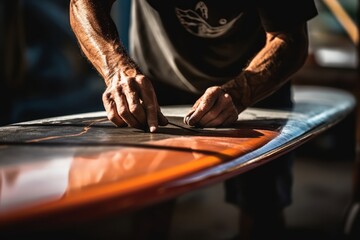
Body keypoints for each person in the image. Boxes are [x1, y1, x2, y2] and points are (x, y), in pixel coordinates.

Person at [69, 0, 318, 239]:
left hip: (258, 81)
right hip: (157, 85)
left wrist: (241, 92)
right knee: (152, 200)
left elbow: (291, 38)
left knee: (263, 205)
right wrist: (116, 69)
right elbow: (84, 2)